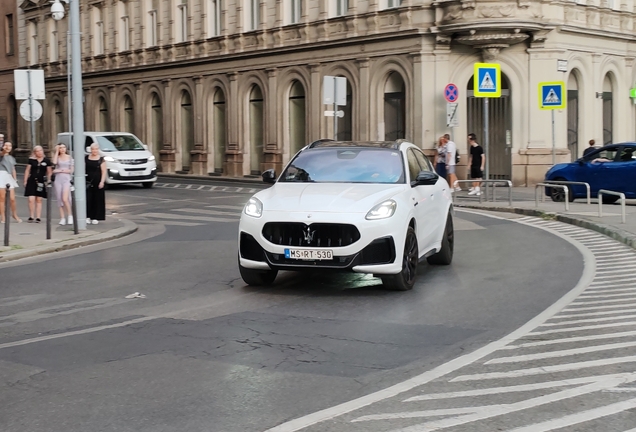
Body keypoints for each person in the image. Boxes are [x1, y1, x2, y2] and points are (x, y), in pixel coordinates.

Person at [23, 145, 53, 223]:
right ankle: (31, 216)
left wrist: (48, 181)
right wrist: (25, 181)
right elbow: (27, 170)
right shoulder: (31, 160)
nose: (40, 152)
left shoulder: (46, 161)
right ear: (35, 152)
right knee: (31, 199)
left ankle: (38, 217)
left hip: (41, 181)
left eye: (41, 150)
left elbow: (49, 172)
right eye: (37, 151)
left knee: (39, 199)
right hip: (32, 180)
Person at [52, 143, 74, 226]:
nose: (62, 149)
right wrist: (56, 151)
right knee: (59, 198)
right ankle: (62, 218)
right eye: (60, 148)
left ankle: (70, 215)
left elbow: (71, 170)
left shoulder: (69, 157)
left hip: (66, 179)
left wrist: (60, 170)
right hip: (58, 179)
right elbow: (54, 162)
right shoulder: (57, 157)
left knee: (65, 198)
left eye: (64, 147)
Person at [0, 141, 21, 223]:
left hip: (8, 176)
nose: (8, 147)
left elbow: (13, 169)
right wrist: (4, 149)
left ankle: (14, 214)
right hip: (1, 175)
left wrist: (15, 178)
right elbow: (2, 153)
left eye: (10, 146)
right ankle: (3, 216)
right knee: (2, 198)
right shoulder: (1, 154)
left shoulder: (12, 158)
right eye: (6, 145)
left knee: (12, 198)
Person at [85, 143, 107, 225]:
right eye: (93, 149)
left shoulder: (101, 159)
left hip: (97, 181)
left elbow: (104, 171)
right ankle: (87, 216)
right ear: (91, 150)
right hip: (87, 181)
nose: (95, 151)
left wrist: (102, 181)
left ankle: (95, 217)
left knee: (97, 199)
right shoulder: (86, 158)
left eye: (96, 149)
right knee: (88, 199)